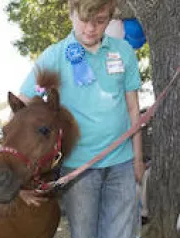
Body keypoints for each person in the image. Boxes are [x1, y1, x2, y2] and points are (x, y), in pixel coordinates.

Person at [19, 0, 145, 237]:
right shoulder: (54, 56)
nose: (91, 28)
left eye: (100, 21)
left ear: (110, 19)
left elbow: (133, 109)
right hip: (78, 169)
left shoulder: (123, 51)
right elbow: (22, 103)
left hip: (122, 163)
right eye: (84, 20)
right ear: (71, 14)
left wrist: (137, 159)